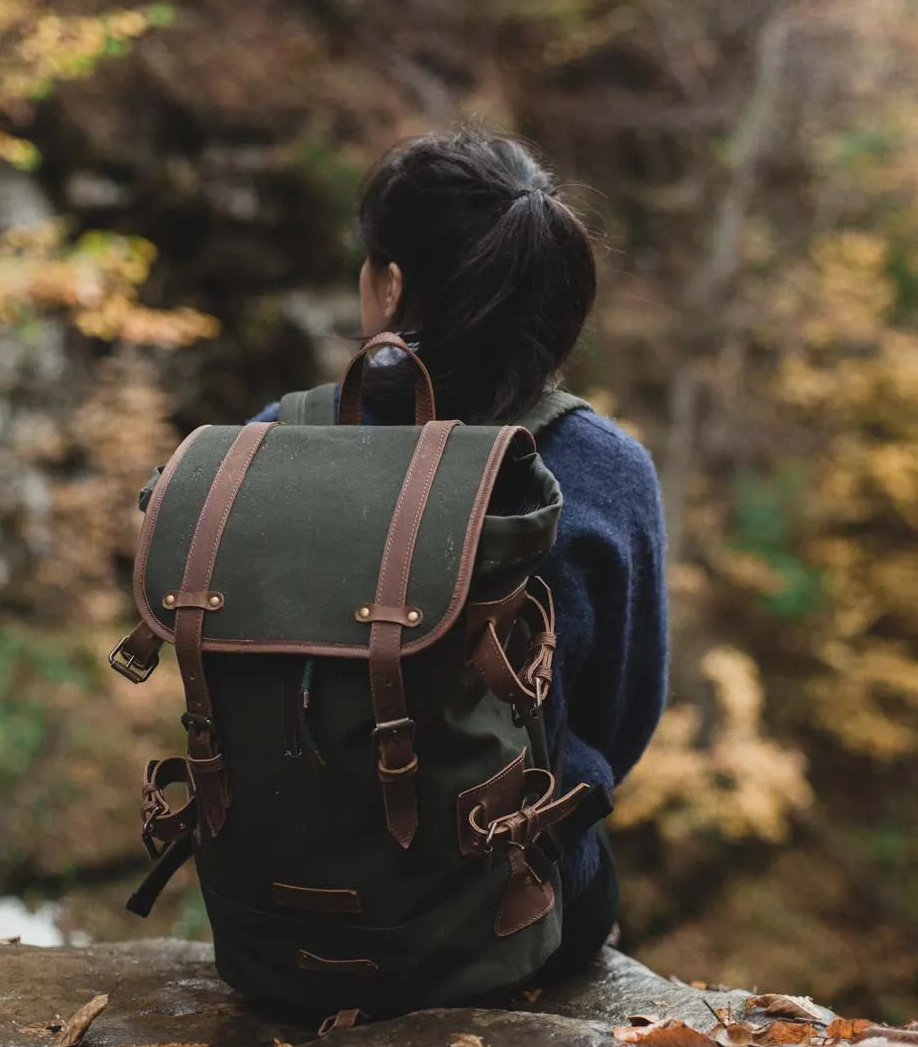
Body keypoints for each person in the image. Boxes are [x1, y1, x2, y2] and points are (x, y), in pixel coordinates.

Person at [252, 128, 668, 981]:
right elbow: (621, 723)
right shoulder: (605, 469)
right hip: (514, 916)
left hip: (274, 903)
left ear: (392, 285)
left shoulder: (267, 446)